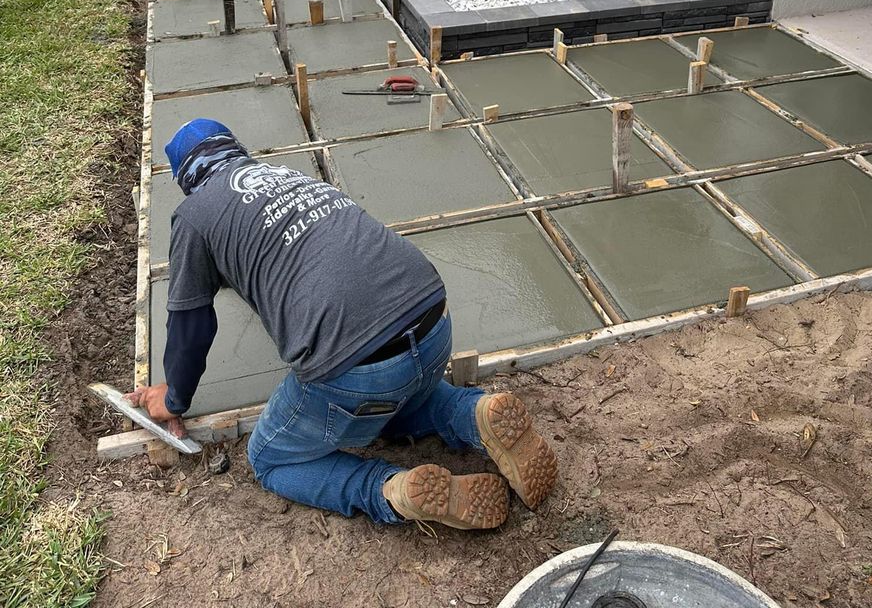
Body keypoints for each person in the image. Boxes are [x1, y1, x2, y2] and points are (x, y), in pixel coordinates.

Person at [127, 118, 557, 529]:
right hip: (432, 324)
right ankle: (474, 414)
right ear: (236, 151)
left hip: (360, 371)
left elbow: (191, 321)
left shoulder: (194, 214)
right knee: (393, 406)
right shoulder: (290, 177)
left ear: (186, 176)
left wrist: (175, 397)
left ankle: (389, 490)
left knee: (271, 458)